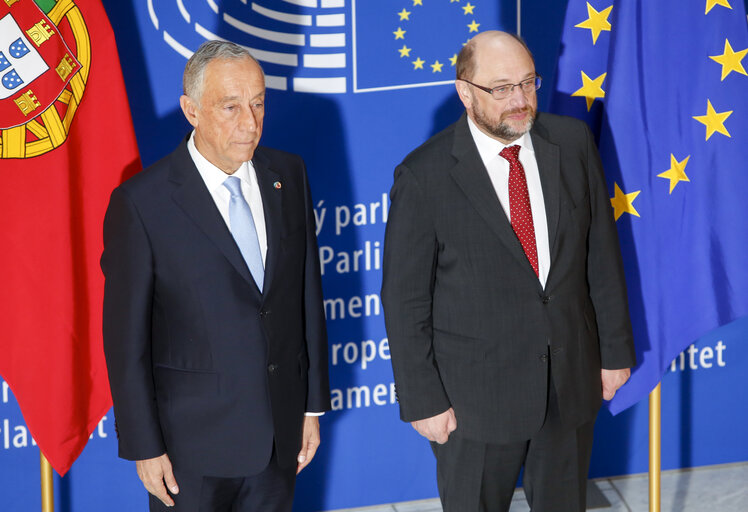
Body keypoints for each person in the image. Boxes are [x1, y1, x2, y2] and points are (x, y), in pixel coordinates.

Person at [381, 31, 636, 512]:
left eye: (527, 83)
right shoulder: (424, 175)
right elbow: (404, 298)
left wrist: (614, 349)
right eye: (500, 89)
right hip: (475, 402)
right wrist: (423, 400)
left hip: (569, 383)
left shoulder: (572, 141)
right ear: (464, 91)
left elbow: (600, 252)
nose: (519, 100)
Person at [101, 40, 330, 512]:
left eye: (259, 103)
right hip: (190, 451)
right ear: (191, 110)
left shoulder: (288, 173)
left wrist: (310, 405)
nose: (250, 123)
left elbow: (306, 294)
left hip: (277, 435)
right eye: (231, 107)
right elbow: (126, 341)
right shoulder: (142, 203)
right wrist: (145, 445)